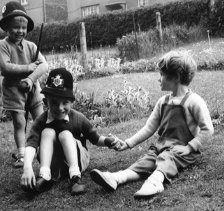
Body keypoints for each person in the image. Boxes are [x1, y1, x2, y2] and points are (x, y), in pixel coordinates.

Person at [90, 51, 214, 198]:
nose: (158, 79)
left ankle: (155, 182)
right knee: (146, 161)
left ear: (175, 77)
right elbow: (149, 128)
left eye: (161, 74)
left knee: (166, 158)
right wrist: (127, 143)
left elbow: (208, 129)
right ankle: (116, 178)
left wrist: (189, 147)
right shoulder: (162, 102)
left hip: (181, 151)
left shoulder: (194, 101)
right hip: (161, 147)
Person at [20, 68, 120, 196]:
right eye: (54, 103)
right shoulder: (41, 120)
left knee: (65, 134)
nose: (60, 108)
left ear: (72, 102)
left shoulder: (78, 118)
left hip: (78, 161)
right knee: (47, 132)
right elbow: (31, 144)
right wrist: (27, 168)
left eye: (65, 103)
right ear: (46, 102)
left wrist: (108, 141)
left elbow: (94, 138)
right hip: (54, 165)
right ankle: (45, 176)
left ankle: (75, 178)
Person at [0, 1, 48, 168]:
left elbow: (44, 65)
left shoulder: (31, 46)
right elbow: (5, 67)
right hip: (13, 90)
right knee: (19, 122)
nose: (20, 31)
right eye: (16, 27)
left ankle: (42, 149)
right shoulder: (2, 45)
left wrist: (31, 79)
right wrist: (28, 67)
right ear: (7, 28)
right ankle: (22, 154)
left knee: (40, 120)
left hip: (33, 89)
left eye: (23, 27)